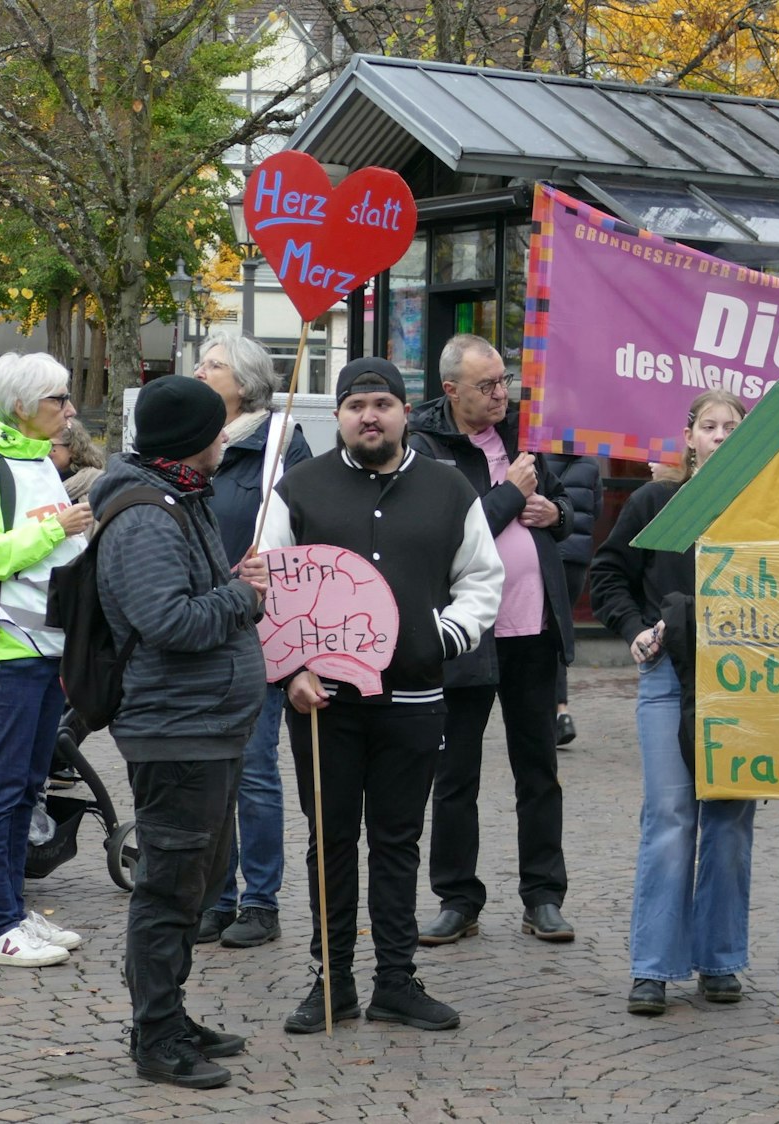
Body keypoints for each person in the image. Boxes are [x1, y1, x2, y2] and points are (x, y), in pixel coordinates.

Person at [258, 357, 503, 1035]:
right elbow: (270, 586)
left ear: (404, 411)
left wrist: (442, 638)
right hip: (322, 702)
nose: (370, 416)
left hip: (415, 698)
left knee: (397, 841)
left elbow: (483, 577)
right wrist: (292, 668)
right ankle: (331, 982)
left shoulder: (449, 489)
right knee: (330, 841)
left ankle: (396, 981)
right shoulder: (297, 489)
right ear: (336, 415)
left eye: (383, 403)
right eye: (356, 404)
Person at [93, 374, 269, 1089]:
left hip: (210, 725)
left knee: (192, 885)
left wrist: (227, 583)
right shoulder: (143, 515)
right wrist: (242, 594)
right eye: (217, 427)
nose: (225, 437)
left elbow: (185, 596)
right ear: (191, 439)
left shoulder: (178, 496)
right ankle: (155, 1036)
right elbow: (168, 622)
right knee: (169, 889)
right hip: (176, 730)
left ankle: (170, 1011)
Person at [587, 390, 752, 1017]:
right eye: (708, 427)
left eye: (731, 427)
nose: (719, 436)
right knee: (671, 815)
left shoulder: (762, 508)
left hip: (745, 684)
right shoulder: (656, 501)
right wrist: (634, 630)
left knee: (731, 822)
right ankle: (653, 968)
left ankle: (720, 960)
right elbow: (607, 574)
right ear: (688, 438)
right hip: (668, 676)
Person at [412, 334, 576, 946]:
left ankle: (544, 895)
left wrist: (553, 514)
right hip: (466, 635)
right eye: (487, 386)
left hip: (533, 629)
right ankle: (458, 898)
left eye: (504, 381)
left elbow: (562, 510)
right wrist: (512, 495)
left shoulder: (521, 439)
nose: (501, 394)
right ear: (452, 391)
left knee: (538, 769)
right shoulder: (426, 447)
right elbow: (441, 529)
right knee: (457, 774)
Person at [0, 352, 93, 967]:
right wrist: (59, 527)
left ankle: (10, 911)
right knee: (1, 786)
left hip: (45, 646)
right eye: (57, 400)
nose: (69, 410)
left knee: (26, 788)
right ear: (20, 408)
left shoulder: (31, 459)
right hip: (6, 647)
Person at [190, 331, 311, 952]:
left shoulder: (280, 445)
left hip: (261, 629)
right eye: (201, 362)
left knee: (254, 768)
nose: (201, 371)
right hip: (200, 625)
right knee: (213, 770)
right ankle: (219, 896)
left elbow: (310, 531)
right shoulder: (190, 446)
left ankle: (261, 900)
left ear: (245, 380)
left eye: (214, 365)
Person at [543, 452, 599, 748]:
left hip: (545, 556)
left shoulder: (536, 457)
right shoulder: (590, 464)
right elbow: (596, 509)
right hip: (576, 562)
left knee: (544, 634)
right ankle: (560, 711)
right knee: (560, 631)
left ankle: (556, 711)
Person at [48, 420, 105, 504]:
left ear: (72, 448)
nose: (45, 451)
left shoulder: (96, 481)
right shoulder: (39, 480)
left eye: (50, 445)